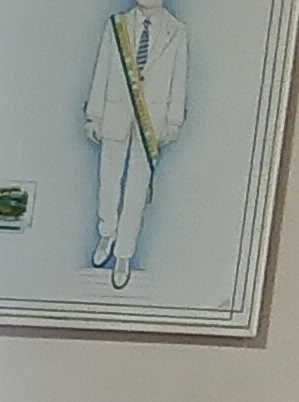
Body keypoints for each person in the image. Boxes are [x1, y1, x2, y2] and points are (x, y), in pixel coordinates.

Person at [85, 0, 189, 286]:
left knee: (137, 188)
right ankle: (107, 231)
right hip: (115, 111)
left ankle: (124, 252)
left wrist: (174, 121)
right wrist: (94, 115)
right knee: (108, 180)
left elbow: (179, 77)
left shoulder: (176, 30)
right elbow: (103, 69)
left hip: (151, 120)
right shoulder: (117, 24)